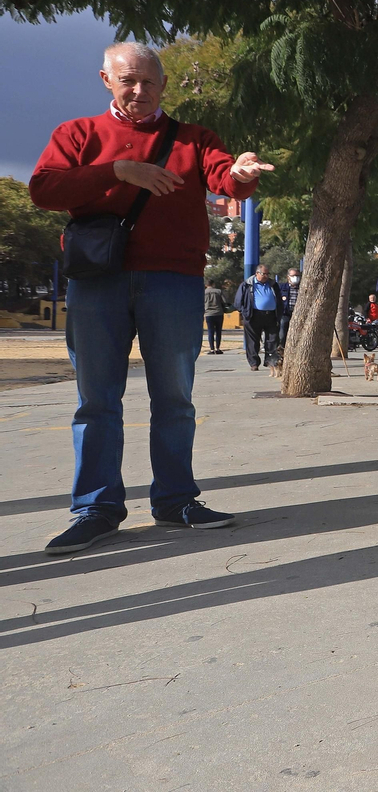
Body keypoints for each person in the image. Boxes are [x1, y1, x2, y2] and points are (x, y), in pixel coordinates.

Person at [29, 41, 273, 555]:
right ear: (105, 80)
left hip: (173, 280)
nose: (139, 91)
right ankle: (95, 508)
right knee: (96, 401)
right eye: (127, 81)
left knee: (175, 399)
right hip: (97, 280)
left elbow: (222, 175)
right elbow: (44, 188)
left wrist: (242, 174)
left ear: (164, 85)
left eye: (149, 82)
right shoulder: (77, 134)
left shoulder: (192, 138)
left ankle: (176, 500)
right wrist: (117, 170)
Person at [234, 264, 283, 371]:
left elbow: (279, 299)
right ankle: (254, 363)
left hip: (271, 315)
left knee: (272, 339)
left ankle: (270, 361)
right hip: (253, 315)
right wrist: (244, 312)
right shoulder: (247, 285)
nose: (266, 276)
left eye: (267, 274)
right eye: (263, 274)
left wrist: (279, 312)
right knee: (252, 341)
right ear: (257, 274)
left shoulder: (273, 284)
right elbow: (238, 302)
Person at [203, 279, 227, 354]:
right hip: (218, 313)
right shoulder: (218, 291)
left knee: (210, 331)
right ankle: (218, 348)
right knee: (218, 331)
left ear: (206, 285)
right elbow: (225, 301)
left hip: (208, 314)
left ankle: (211, 349)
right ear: (213, 284)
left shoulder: (203, 292)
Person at [279, 267, 300, 348]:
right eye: (293, 275)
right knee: (283, 330)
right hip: (285, 313)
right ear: (288, 277)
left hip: (298, 314)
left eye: (298, 276)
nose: (296, 278)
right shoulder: (282, 287)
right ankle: (282, 347)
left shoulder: (303, 287)